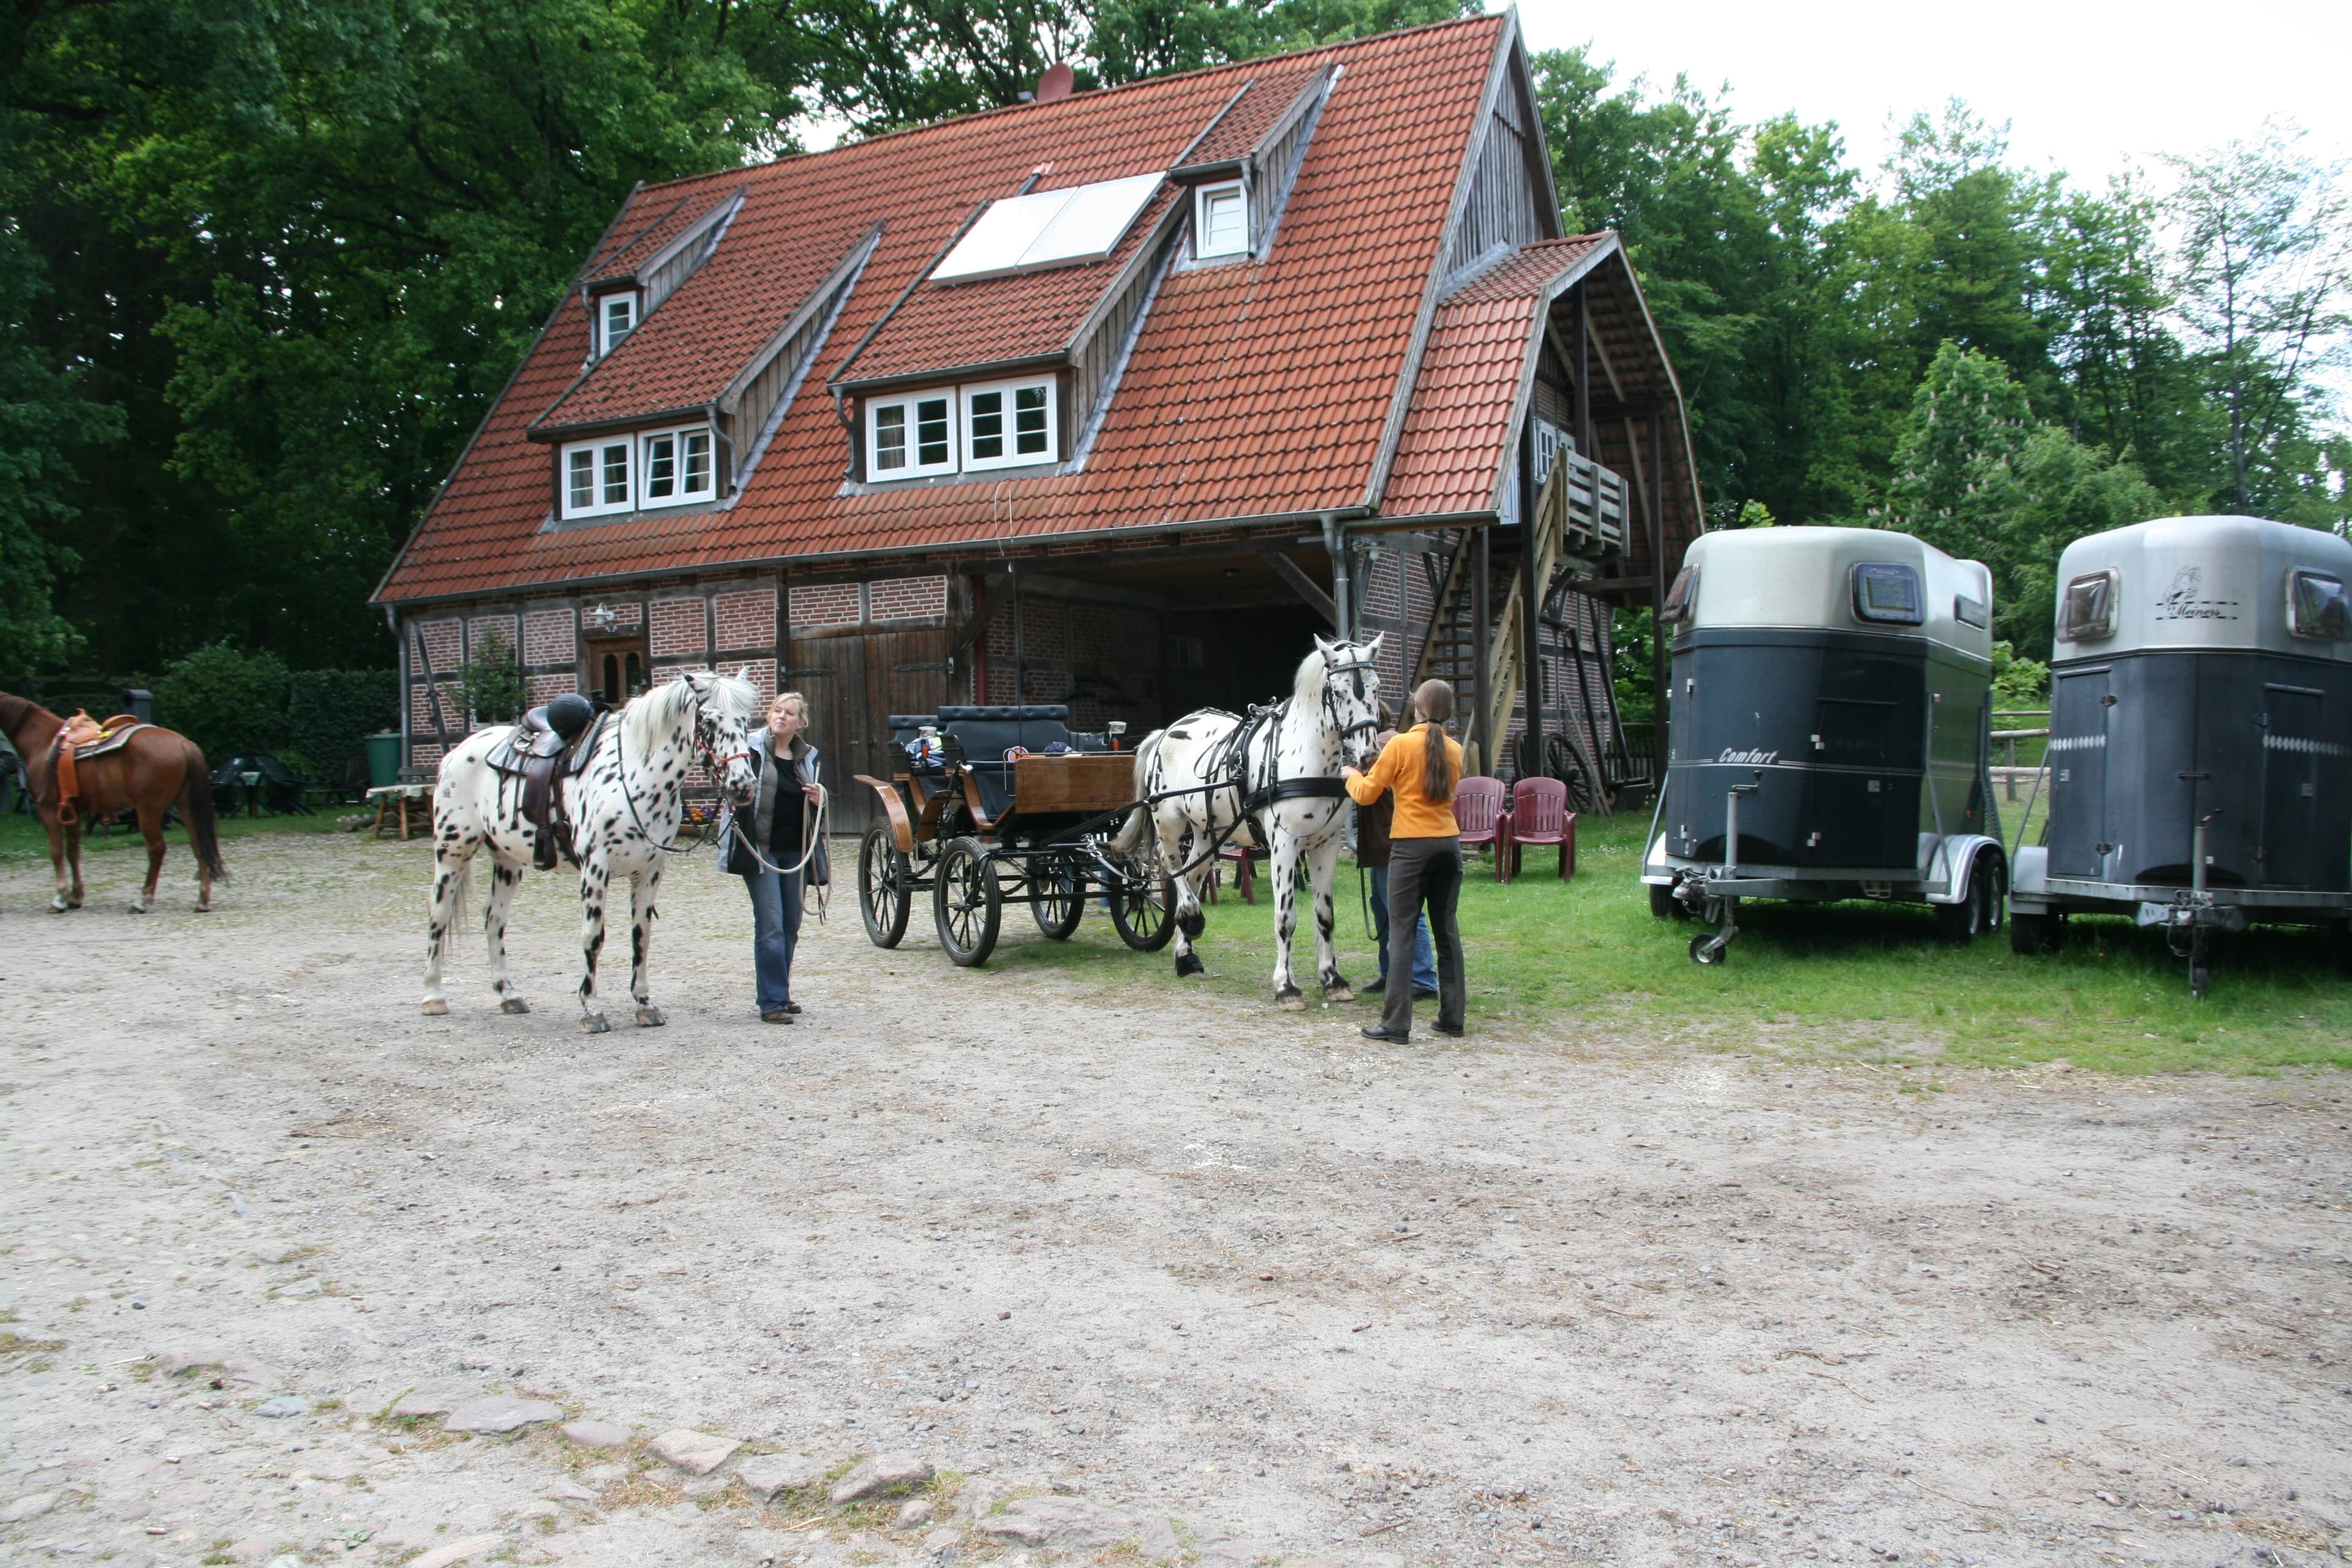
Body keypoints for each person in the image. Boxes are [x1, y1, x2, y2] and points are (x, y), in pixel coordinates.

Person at [1343, 679, 1465, 1042]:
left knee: (1402, 932)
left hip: (1411, 847)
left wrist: (1351, 776)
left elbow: (1366, 795)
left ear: (1418, 708)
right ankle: (1452, 1017)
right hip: (1449, 844)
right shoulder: (1456, 749)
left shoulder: (1400, 744)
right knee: (1448, 932)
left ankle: (1396, 1023)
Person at [724, 691, 823, 1023]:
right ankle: (772, 1002)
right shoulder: (748, 750)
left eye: (789, 713)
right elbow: (731, 785)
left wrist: (819, 798)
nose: (781, 717)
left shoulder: (806, 758)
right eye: (777, 711)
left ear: (801, 722)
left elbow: (816, 804)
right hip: (759, 850)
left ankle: (778, 990)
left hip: (795, 850)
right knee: (771, 925)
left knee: (790, 925)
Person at [1356, 701, 1438, 1001]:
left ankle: (1422, 978)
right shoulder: (1390, 741)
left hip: (1393, 840)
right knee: (1384, 908)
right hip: (1384, 842)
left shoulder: (1384, 744)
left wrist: (1349, 774)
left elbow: (1368, 790)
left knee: (1403, 910)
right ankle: (1391, 972)